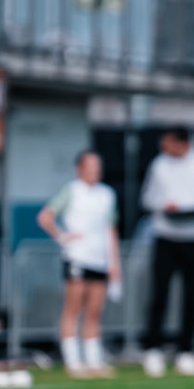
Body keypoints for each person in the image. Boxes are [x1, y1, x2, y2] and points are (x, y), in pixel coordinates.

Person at [138, 127, 194, 377]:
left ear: (181, 142)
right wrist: (164, 206)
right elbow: (147, 199)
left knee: (192, 295)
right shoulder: (159, 166)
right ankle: (153, 349)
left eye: (167, 142)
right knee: (159, 292)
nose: (163, 147)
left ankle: (186, 350)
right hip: (165, 235)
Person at [38, 149, 121, 376]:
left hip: (99, 259)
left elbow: (110, 230)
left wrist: (115, 264)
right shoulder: (72, 190)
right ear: (80, 168)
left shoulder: (107, 194)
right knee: (73, 308)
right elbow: (45, 216)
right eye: (90, 165)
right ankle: (73, 360)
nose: (95, 170)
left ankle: (93, 359)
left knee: (94, 311)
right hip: (78, 256)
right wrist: (62, 237)